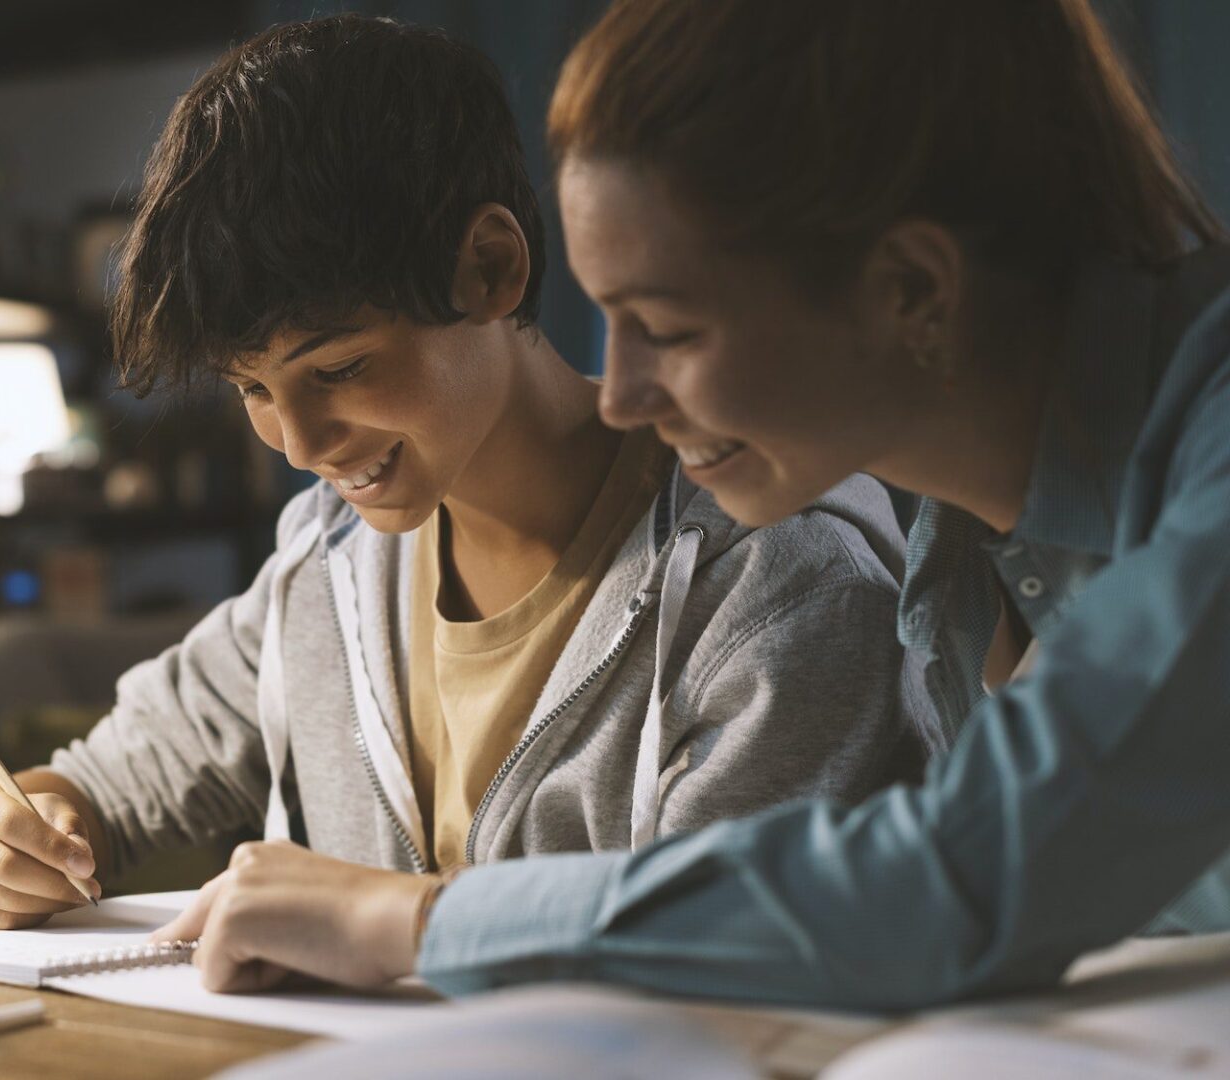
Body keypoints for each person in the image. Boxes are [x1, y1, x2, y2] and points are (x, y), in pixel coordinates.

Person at [151, 0, 1230, 1013]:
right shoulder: (968, 562)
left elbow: (954, 881)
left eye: (665, 327)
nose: (619, 394)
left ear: (912, 291)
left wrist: (414, 920)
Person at [0, 14, 932, 932]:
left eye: (341, 370)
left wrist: (387, 920)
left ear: (492, 269)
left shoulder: (774, 587)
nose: (302, 444)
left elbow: (726, 944)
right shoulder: (324, 563)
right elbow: (119, 776)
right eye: (254, 389)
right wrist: (18, 827)